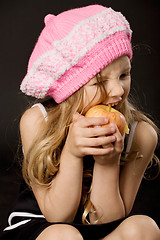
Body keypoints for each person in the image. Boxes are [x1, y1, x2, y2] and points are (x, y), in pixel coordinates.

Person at [0, 4, 160, 240]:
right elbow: (58, 216)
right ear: (70, 88)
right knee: (64, 235)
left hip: (100, 230)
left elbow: (105, 220)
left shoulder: (141, 134)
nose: (117, 90)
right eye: (98, 82)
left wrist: (107, 162)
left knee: (144, 227)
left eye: (124, 75)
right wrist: (72, 154)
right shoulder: (37, 121)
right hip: (44, 227)